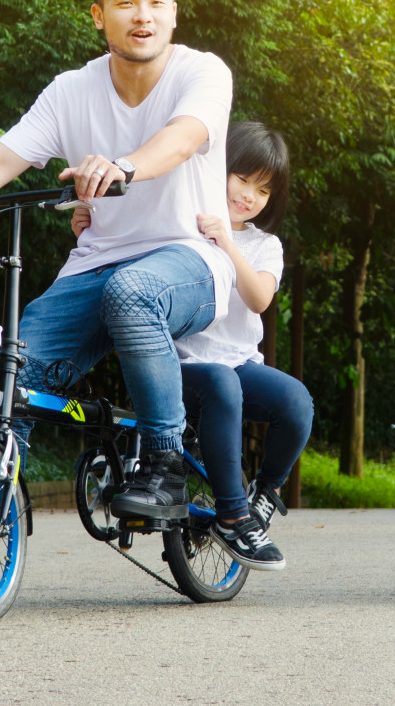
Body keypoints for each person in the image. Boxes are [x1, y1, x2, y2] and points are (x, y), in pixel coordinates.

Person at [0, 0, 233, 611]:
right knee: (11, 372)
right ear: (99, 15)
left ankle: (164, 463)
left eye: (155, 3)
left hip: (189, 261)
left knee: (133, 290)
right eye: (125, 3)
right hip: (97, 264)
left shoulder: (204, 73)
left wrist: (124, 165)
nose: (141, 17)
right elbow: (5, 154)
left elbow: (181, 138)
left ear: (174, 13)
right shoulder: (71, 90)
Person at [78, 121, 310, 571]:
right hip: (173, 365)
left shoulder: (265, 245)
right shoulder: (179, 216)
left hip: (237, 362)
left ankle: (264, 496)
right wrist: (86, 229)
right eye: (241, 178)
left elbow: (259, 298)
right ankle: (233, 516)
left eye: (262, 190)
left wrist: (226, 239)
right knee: (220, 382)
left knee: (297, 402)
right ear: (218, 168)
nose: (248, 195)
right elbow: (125, 273)